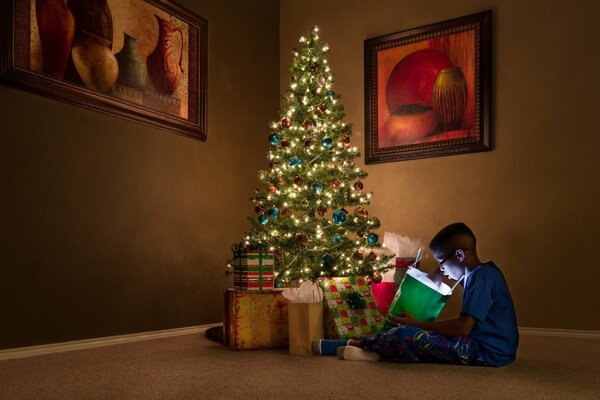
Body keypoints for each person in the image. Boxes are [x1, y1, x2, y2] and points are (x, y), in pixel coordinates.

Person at [332, 222, 519, 366]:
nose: (442, 269)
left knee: (408, 333)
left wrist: (419, 324)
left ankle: (368, 348)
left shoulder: (481, 277)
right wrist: (439, 272)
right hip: (493, 348)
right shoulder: (479, 274)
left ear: (460, 256)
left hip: (488, 352)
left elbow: (463, 327)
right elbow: (446, 280)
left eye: (442, 262)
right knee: (419, 333)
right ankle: (369, 344)